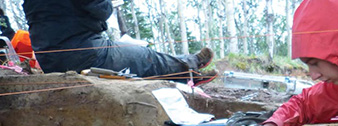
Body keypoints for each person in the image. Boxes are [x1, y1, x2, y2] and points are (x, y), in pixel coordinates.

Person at [22, 0, 216, 84]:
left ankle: (188, 64)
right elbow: (102, 10)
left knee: (130, 52)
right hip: (83, 53)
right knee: (143, 56)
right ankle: (189, 71)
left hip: (50, 57)